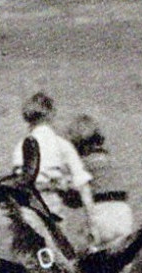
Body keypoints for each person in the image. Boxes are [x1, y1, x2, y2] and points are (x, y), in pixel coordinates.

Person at [64, 115, 133, 273]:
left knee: (84, 263)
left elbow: (76, 198)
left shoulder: (83, 165)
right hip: (123, 215)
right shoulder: (112, 161)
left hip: (101, 215)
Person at [10, 92, 95, 237]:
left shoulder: (21, 145)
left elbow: (17, 177)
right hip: (51, 204)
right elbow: (83, 185)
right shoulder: (61, 144)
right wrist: (92, 222)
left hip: (26, 204)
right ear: (51, 115)